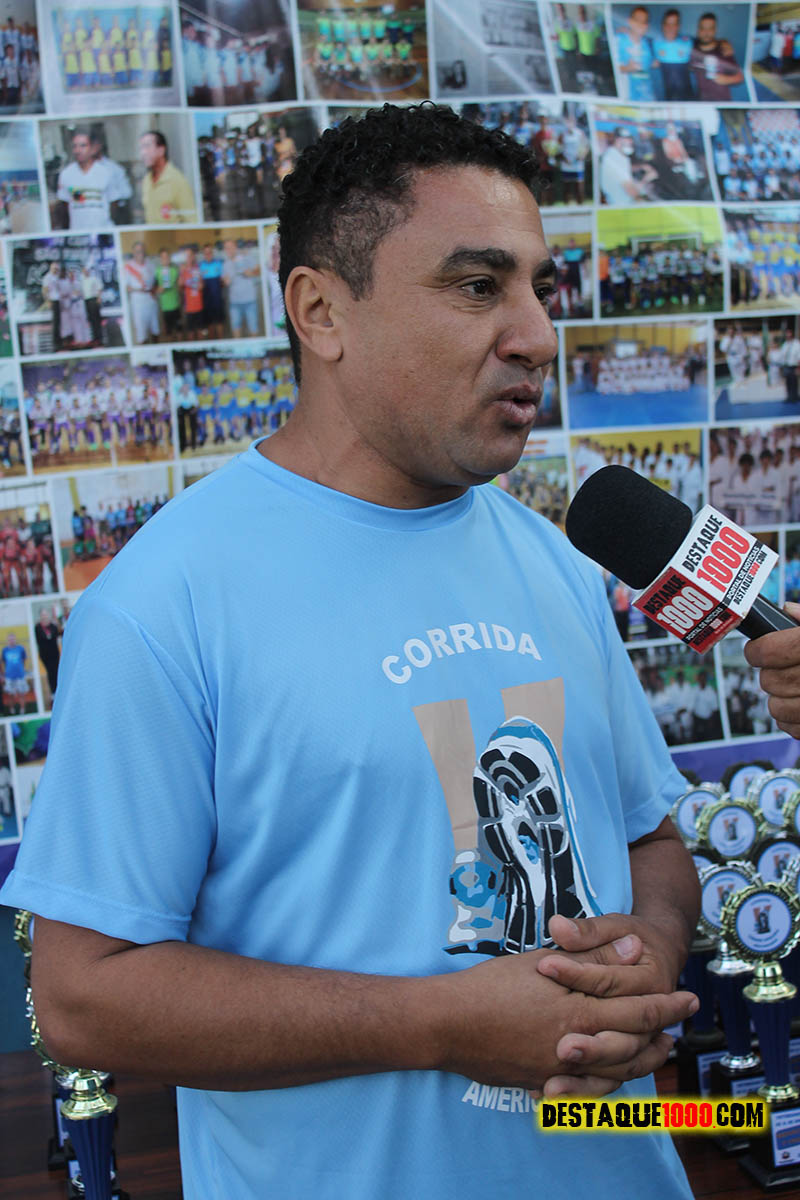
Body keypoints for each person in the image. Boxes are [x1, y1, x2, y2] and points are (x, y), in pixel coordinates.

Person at [9, 101, 800, 1200]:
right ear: (321, 312)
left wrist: (647, 958)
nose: (534, 335)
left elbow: (650, 839)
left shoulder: (553, 558)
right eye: (477, 286)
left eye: (540, 288)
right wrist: (436, 1024)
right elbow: (83, 996)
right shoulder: (164, 603)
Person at [55, 129, 131, 230]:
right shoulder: (66, 174)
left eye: (83, 146)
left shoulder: (106, 172)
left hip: (103, 230)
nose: (78, 150)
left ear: (92, 148)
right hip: (77, 231)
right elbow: (65, 205)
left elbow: (113, 203)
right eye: (75, 146)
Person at [139, 130, 197, 225]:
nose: (143, 153)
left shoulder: (177, 180)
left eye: (147, 146)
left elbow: (192, 221)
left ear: (161, 150)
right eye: (141, 148)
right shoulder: (147, 180)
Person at [689, 12, 743, 101]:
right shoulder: (691, 48)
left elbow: (740, 77)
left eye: (710, 28)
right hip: (701, 101)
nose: (706, 33)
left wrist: (726, 79)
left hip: (722, 102)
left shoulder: (724, 50)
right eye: (703, 28)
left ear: (715, 30)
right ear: (698, 30)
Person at [124, 242, 159, 345]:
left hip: (151, 300)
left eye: (142, 251)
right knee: (141, 332)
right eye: (138, 251)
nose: (141, 254)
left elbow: (156, 281)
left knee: (155, 329)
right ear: (134, 253)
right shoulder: (128, 267)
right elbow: (126, 287)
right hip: (138, 302)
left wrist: (154, 290)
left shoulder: (151, 264)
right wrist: (139, 290)